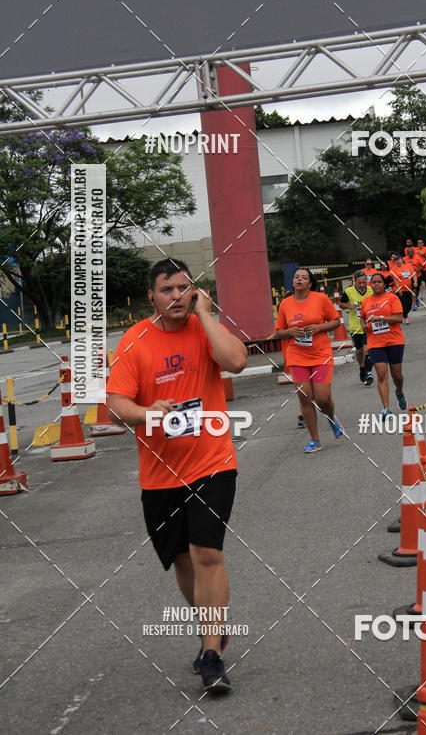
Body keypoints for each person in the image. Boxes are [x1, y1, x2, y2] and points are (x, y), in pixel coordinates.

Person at [107, 258, 247, 694]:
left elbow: (237, 361)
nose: (176, 297)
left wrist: (206, 313)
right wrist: (147, 412)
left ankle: (211, 654)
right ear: (151, 296)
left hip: (212, 463)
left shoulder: (204, 328)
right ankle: (213, 626)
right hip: (160, 476)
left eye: (184, 288)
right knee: (183, 563)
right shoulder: (135, 341)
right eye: (167, 290)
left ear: (194, 291)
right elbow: (115, 404)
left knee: (206, 554)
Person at [275, 268, 344, 453]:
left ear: (310, 283)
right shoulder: (285, 304)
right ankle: (315, 439)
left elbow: (336, 321)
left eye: (303, 277)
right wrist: (289, 332)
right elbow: (278, 331)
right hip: (297, 356)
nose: (299, 279)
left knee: (322, 398)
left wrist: (319, 327)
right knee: (305, 397)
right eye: (296, 276)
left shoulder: (320, 299)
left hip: (320, 354)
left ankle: (331, 419)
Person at [360, 272, 407, 416]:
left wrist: (381, 318)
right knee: (381, 375)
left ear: (384, 284)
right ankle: (386, 408)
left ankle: (399, 392)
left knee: (397, 376)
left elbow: (399, 318)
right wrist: (364, 326)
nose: (376, 284)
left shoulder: (392, 298)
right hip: (375, 342)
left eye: (379, 282)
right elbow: (362, 318)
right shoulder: (366, 301)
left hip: (394, 341)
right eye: (373, 282)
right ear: (371, 284)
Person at [340, 271, 374, 386]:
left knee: (367, 350)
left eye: (364, 282)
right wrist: (349, 306)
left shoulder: (371, 290)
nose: (362, 285)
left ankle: (369, 373)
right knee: (359, 351)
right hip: (355, 326)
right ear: (354, 281)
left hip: (368, 325)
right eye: (359, 283)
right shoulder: (348, 291)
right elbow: (341, 304)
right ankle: (362, 367)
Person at [387, 253, 417, 324]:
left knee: (409, 304)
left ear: (402, 260)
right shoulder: (394, 269)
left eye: (398, 260)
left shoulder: (408, 267)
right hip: (399, 290)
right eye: (396, 260)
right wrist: (398, 289)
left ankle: (404, 314)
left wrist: (415, 282)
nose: (397, 261)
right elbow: (394, 280)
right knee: (403, 303)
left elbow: (413, 275)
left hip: (408, 289)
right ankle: (406, 318)